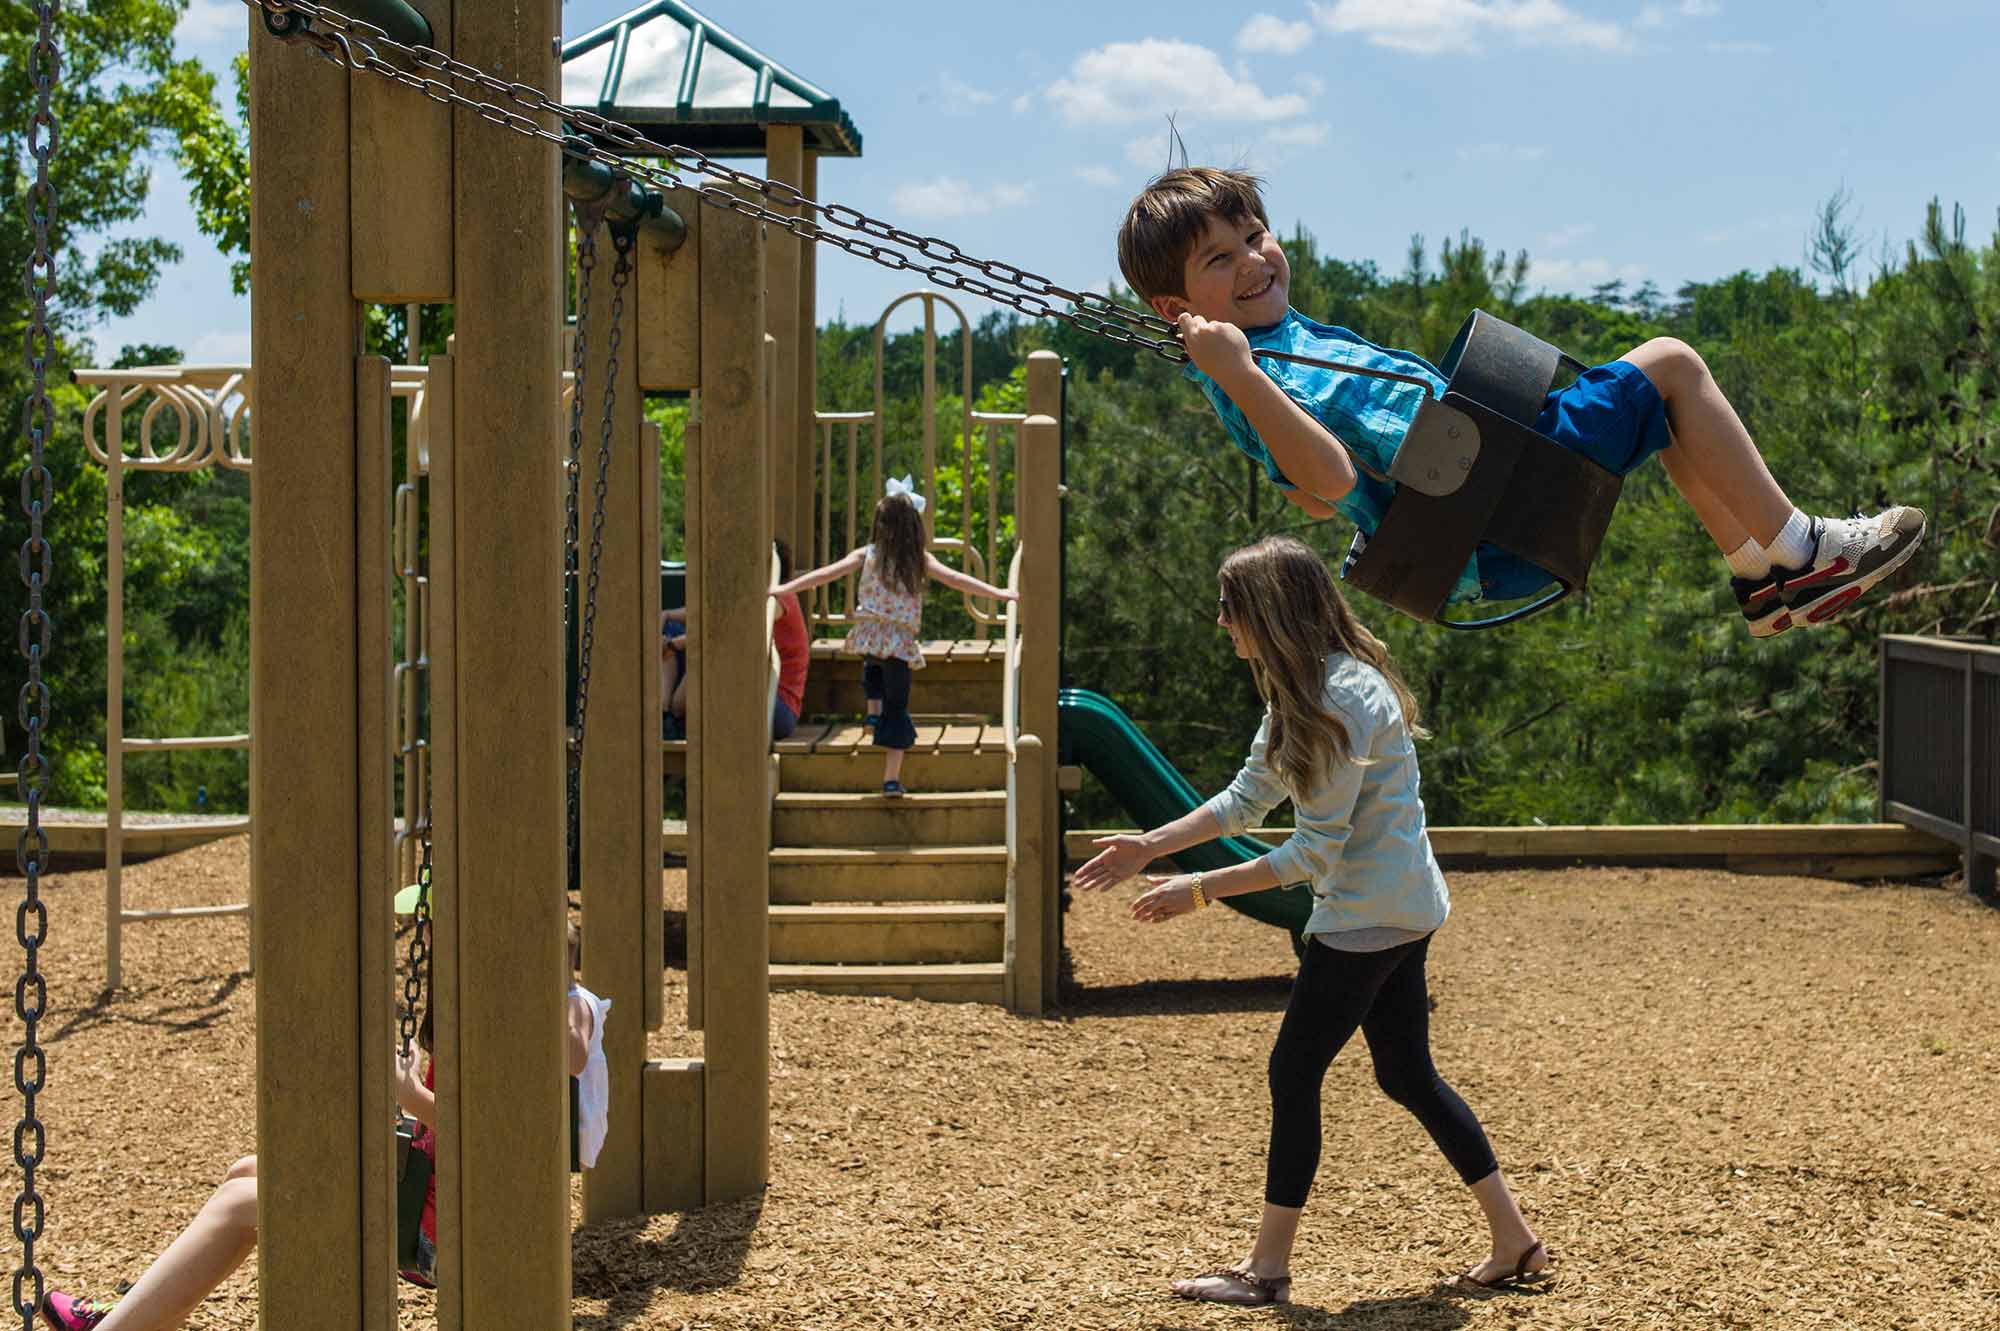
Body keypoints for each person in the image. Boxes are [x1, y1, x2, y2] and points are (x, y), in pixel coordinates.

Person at [1116, 167, 1925, 637]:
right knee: (1671, 365)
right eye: (1220, 259)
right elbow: (1328, 481)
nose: (1253, 261)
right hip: (1483, 511)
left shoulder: (1277, 342)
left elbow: (1325, 499)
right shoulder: (1251, 372)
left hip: (1479, 505)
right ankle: (1805, 548)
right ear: (1174, 309)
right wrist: (1242, 379)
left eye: (1254, 236)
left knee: (1663, 409)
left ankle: (1760, 573)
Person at [1073, 536, 1549, 1307]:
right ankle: (1514, 1239)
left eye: (1230, 607)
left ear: (1269, 610)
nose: (1220, 621)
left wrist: (1196, 889)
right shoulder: (1309, 688)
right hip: (1407, 907)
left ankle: (1266, 1270)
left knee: (1294, 1071)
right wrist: (1147, 846)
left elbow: (1307, 851)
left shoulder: (1338, 699)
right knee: (1406, 1074)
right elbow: (1244, 798)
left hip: (1365, 920)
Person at [38, 922, 608, 1330]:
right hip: (432, 1202)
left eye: (431, 929)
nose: (423, 942)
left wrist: (413, 1094)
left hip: (459, 1240)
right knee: (245, 1172)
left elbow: (500, 1133)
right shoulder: (478, 1003)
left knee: (242, 1204)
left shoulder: (544, 1012)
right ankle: (133, 1316)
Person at [771, 478, 1017, 796]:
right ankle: (891, 777)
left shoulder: (867, 554)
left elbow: (826, 573)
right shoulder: (920, 560)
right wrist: (1000, 594)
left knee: (871, 670)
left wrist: (784, 587)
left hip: (871, 635)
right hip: (899, 643)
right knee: (898, 707)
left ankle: (873, 716)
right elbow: (958, 580)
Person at [661, 540, 812, 742]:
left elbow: (728, 632)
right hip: (756, 695)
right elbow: (712, 614)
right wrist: (669, 615)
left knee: (715, 652)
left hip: (777, 708)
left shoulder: (780, 599)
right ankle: (665, 717)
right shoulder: (755, 597)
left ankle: (675, 715)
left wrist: (678, 643)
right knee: (671, 632)